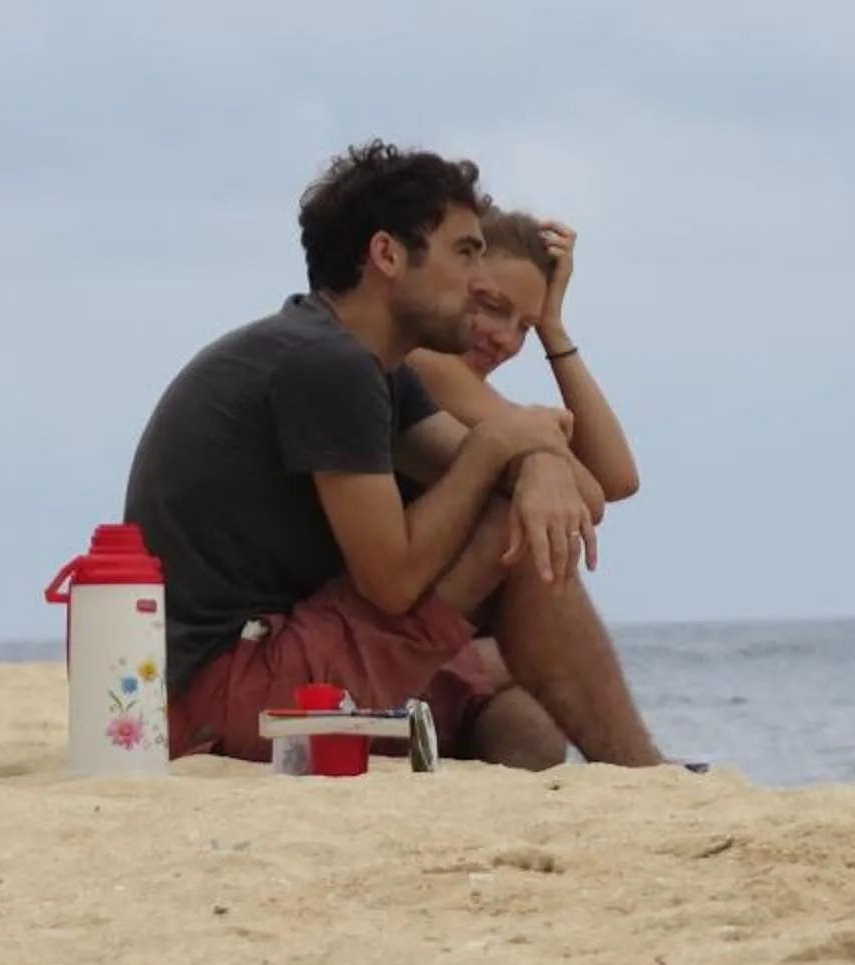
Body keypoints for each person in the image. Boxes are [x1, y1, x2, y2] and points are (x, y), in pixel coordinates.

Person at [121, 142, 666, 769]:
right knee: (511, 536)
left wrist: (534, 454)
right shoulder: (328, 365)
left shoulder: (372, 367)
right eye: (465, 253)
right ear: (387, 255)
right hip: (225, 690)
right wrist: (500, 444)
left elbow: (574, 494)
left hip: (276, 659)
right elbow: (392, 580)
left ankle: (573, 792)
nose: (476, 279)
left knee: (523, 716)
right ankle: (648, 773)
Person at [409, 211, 640, 508]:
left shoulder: (472, 397)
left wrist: (552, 326)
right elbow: (590, 492)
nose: (506, 340)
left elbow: (618, 480)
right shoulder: (420, 360)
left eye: (526, 327)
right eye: (493, 307)